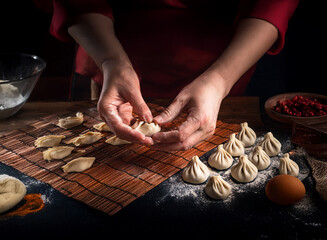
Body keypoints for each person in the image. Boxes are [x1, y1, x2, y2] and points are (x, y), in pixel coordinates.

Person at [38, 0, 298, 151]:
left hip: (228, 59)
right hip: (103, 44)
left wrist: (219, 81)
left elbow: (271, 4)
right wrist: (110, 60)